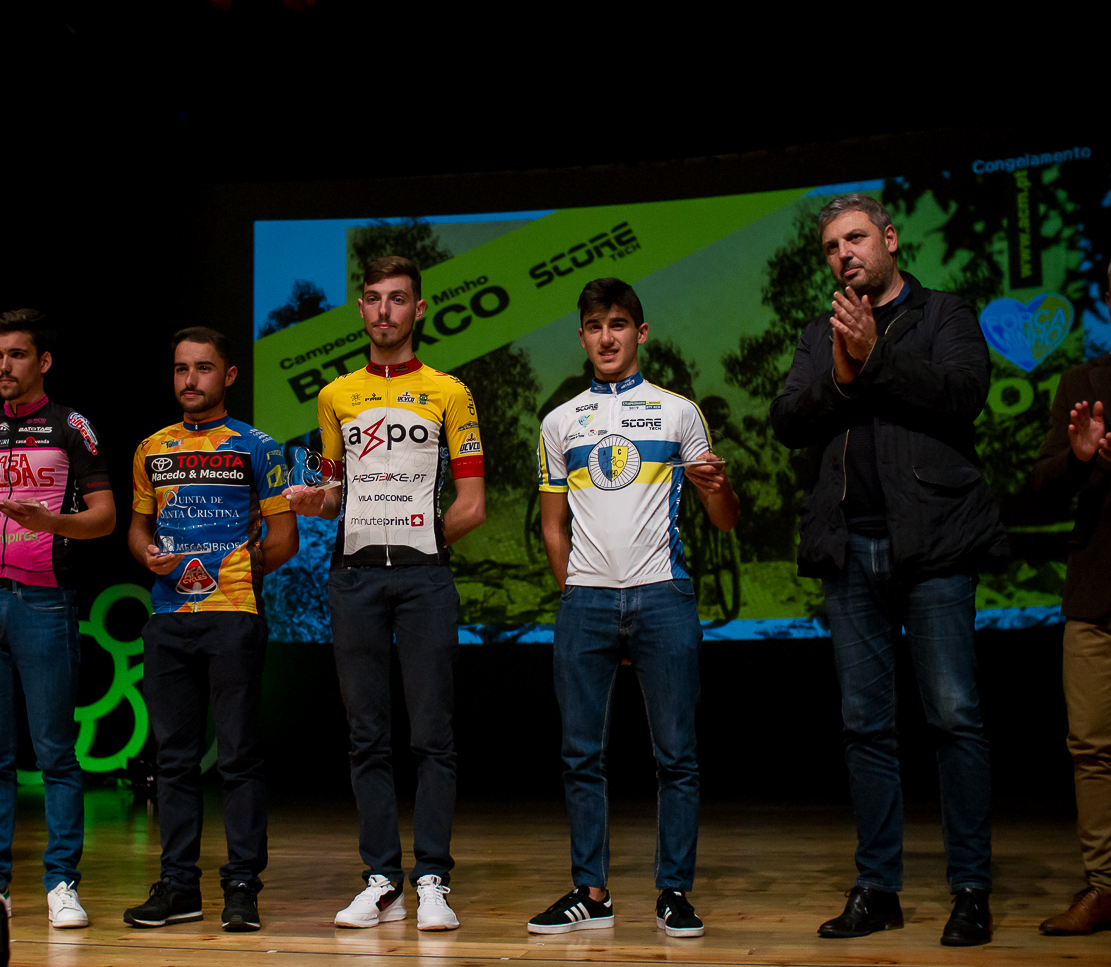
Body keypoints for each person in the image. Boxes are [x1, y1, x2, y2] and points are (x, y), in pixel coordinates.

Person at [770, 194, 1008, 946]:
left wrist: (877, 355)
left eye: (856, 238)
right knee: (864, 725)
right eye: (831, 246)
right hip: (850, 551)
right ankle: (878, 888)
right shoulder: (820, 334)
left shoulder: (944, 314)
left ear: (890, 239)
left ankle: (971, 889)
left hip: (934, 547)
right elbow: (787, 420)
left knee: (954, 715)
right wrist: (842, 373)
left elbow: (963, 396)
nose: (844, 254)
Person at [526, 279, 737, 937]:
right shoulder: (559, 422)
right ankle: (591, 892)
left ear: (640, 333)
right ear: (582, 336)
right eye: (595, 326)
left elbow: (725, 520)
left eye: (618, 324)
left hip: (662, 596)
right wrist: (575, 592)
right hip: (585, 602)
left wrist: (719, 489)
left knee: (677, 755)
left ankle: (674, 892)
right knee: (579, 753)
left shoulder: (678, 413)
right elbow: (552, 525)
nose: (607, 337)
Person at [288, 255, 486, 932]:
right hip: (355, 577)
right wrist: (313, 501)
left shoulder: (450, 392)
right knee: (366, 734)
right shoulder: (335, 395)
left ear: (419, 309)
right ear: (361, 308)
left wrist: (421, 540)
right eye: (373, 298)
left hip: (425, 578)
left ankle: (432, 879)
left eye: (397, 299)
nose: (384, 310)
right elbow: (331, 493)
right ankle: (381, 881)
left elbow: (473, 503)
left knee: (432, 734)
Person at [121, 327, 297, 933]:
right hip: (168, 618)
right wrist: (146, 555)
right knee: (173, 760)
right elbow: (137, 529)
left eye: (202, 368)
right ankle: (178, 887)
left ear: (229, 375)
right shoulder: (151, 448)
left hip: (233, 615)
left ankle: (242, 887)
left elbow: (284, 538)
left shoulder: (259, 447)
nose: (189, 379)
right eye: (180, 369)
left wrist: (238, 568)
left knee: (239, 757)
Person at [0, 309, 115, 929]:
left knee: (54, 754)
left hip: (45, 602)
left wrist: (51, 522)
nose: (4, 367)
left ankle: (62, 882)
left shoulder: (72, 427)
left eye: (16, 355)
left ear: (43, 361)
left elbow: (105, 517)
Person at [1032, 278, 1110, 936]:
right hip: (1098, 590)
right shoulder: (1083, 383)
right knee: (1091, 745)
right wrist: (1079, 459)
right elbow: (1041, 487)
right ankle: (1105, 885)